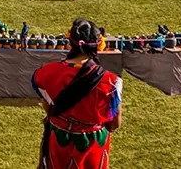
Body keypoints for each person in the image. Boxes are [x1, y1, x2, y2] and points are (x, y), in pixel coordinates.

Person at [32, 19, 123, 169]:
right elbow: (114, 124)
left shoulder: (46, 73)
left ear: (70, 42)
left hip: (59, 143)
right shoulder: (111, 82)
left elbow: (48, 107)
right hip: (92, 147)